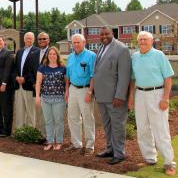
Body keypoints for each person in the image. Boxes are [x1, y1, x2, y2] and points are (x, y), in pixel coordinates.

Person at [128, 31, 176, 176]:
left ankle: (169, 163)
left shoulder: (159, 55)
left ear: (151, 41)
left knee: (160, 130)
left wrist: (165, 98)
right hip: (140, 94)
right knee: (142, 129)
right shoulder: (135, 57)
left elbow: (168, 78)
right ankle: (150, 158)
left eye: (145, 39)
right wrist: (131, 97)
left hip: (157, 94)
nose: (142, 41)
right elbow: (132, 80)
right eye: (140, 39)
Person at [93, 27, 131, 165]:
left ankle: (120, 153)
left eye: (106, 33)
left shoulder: (122, 49)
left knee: (117, 125)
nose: (104, 36)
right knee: (107, 125)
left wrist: (120, 96)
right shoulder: (101, 48)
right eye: (101, 34)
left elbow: (124, 75)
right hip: (102, 96)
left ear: (112, 34)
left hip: (115, 97)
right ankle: (110, 149)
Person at [64, 33, 96, 156]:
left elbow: (93, 75)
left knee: (88, 117)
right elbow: (68, 75)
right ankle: (76, 144)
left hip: (85, 89)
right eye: (74, 42)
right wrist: (67, 90)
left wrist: (90, 92)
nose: (76, 44)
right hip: (72, 88)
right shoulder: (71, 56)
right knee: (73, 117)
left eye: (78, 42)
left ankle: (89, 146)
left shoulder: (91, 56)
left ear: (84, 43)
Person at [35, 46, 67, 151]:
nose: (52, 56)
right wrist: (37, 97)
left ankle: (58, 141)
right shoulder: (42, 67)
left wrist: (67, 93)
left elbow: (67, 82)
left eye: (54, 54)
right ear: (47, 56)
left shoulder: (63, 68)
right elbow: (38, 83)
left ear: (57, 55)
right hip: (45, 98)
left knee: (59, 121)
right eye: (50, 54)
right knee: (48, 121)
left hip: (59, 98)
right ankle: (49, 141)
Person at [14, 32, 39, 128]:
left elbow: (34, 69)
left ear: (33, 40)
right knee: (19, 110)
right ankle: (20, 131)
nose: (29, 40)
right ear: (24, 40)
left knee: (30, 110)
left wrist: (25, 78)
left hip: (28, 85)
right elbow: (15, 66)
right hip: (18, 85)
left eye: (31, 38)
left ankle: (30, 131)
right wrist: (16, 77)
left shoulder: (37, 51)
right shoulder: (19, 52)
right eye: (27, 38)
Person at [29, 32, 50, 136]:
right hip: (36, 89)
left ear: (48, 40)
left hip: (49, 89)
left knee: (49, 114)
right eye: (40, 39)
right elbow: (30, 70)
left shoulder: (52, 52)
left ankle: (50, 136)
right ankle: (42, 135)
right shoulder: (34, 54)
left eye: (44, 39)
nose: (42, 41)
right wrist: (34, 83)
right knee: (40, 113)